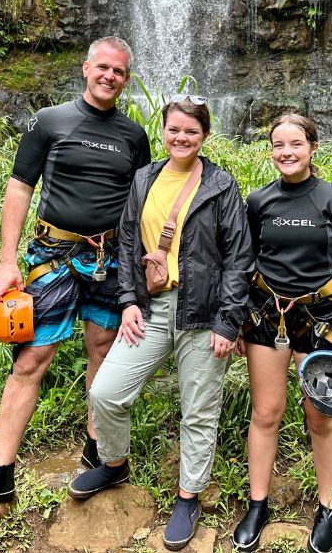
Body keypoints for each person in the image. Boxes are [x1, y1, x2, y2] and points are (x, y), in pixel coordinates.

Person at [0, 37, 152, 516]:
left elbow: (141, 205)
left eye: (119, 72)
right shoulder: (50, 120)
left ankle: (97, 451)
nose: (110, 77)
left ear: (126, 78)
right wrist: (7, 260)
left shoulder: (134, 136)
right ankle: (1, 473)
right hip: (52, 256)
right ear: (86, 68)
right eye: (102, 67)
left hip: (109, 259)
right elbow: (20, 186)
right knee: (31, 358)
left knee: (102, 348)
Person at [67, 96, 253, 551]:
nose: (181, 138)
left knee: (198, 411)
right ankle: (114, 464)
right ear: (163, 131)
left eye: (191, 131)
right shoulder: (144, 178)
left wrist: (228, 323)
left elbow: (239, 257)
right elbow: (128, 240)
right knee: (107, 391)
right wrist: (128, 300)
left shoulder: (221, 186)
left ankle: (188, 496)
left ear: (204, 136)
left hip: (204, 313)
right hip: (151, 309)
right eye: (174, 130)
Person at [232, 113, 332, 553]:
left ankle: (328, 507)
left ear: (312, 147)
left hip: (320, 318)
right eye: (278, 145)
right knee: (266, 412)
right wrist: (234, 323)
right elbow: (245, 264)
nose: (286, 152)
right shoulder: (259, 201)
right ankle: (257, 503)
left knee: (321, 417)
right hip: (266, 316)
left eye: (295, 144)